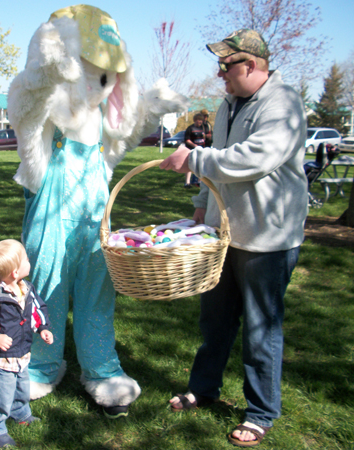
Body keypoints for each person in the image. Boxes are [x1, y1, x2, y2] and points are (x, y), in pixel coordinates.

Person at [160, 29, 307, 447]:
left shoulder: (284, 103)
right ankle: (204, 388)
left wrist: (193, 157)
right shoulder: (227, 104)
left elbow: (257, 157)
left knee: (261, 328)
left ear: (250, 66)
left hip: (268, 238)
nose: (219, 74)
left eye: (226, 66)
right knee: (215, 321)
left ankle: (260, 412)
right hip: (225, 235)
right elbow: (217, 167)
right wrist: (203, 205)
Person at [0, 239, 54, 448]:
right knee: (1, 394)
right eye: (25, 258)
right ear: (14, 272)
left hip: (22, 351)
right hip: (0, 358)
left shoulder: (26, 288)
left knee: (21, 387)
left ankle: (21, 413)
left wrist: (43, 327)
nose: (29, 260)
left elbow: (38, 308)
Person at [182, 113, 206, 188]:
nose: (199, 122)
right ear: (195, 120)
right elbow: (187, 140)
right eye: (198, 120)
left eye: (201, 120)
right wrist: (195, 146)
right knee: (189, 165)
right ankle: (187, 183)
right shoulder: (190, 128)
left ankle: (199, 182)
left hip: (201, 149)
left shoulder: (203, 128)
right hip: (191, 149)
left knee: (200, 165)